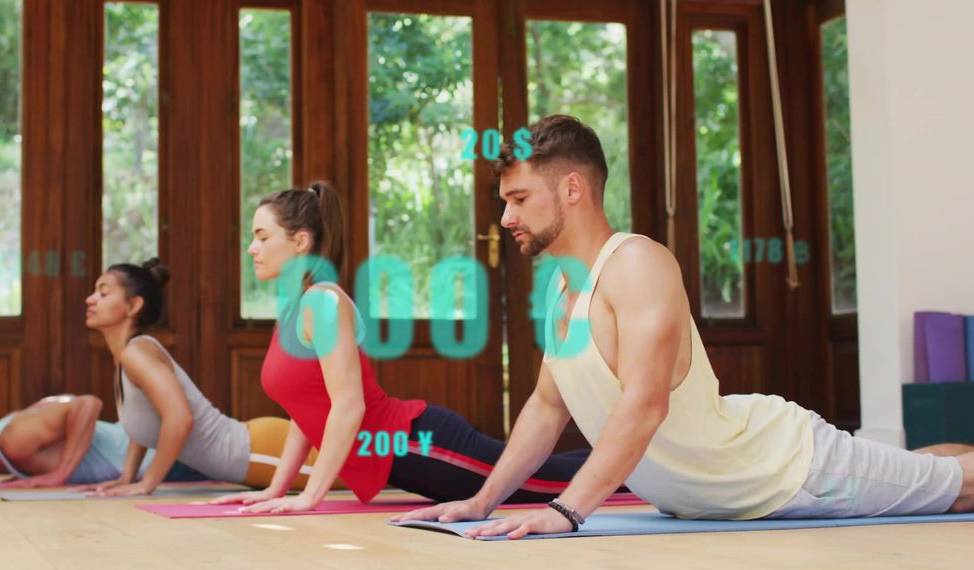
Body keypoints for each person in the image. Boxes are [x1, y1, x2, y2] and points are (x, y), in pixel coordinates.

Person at [393, 114, 974, 538]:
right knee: (928, 469)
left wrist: (567, 511)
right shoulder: (562, 287)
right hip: (720, 498)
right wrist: (481, 500)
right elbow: (547, 408)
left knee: (953, 489)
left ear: (572, 189)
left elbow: (644, 405)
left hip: (784, 470)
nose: (505, 217)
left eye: (518, 198)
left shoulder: (636, 264)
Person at [210, 181, 593, 514]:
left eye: (262, 237)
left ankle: (633, 455)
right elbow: (304, 414)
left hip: (418, 444)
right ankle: (627, 455)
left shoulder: (321, 304)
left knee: (553, 483)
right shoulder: (295, 309)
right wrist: (276, 489)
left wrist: (310, 496)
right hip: (406, 456)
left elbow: (349, 405)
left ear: (299, 242)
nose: (251, 248)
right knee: (553, 476)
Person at [84, 259, 332, 496]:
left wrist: (147, 484)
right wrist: (128, 477)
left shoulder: (136, 353)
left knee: (362, 471)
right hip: (251, 455)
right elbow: (145, 424)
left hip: (255, 452)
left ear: (133, 305)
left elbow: (180, 419)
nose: (90, 299)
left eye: (103, 293)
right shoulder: (127, 356)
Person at [0, 395, 206, 486]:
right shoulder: (8, 443)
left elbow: (87, 404)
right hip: (164, 463)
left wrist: (60, 473)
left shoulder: (13, 439)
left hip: (169, 460)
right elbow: (57, 402)